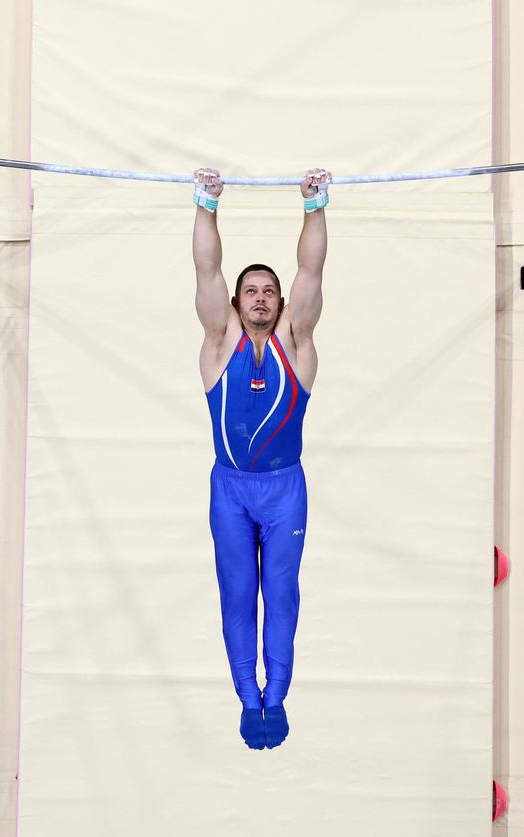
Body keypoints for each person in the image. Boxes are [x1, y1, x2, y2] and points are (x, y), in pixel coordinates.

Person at [191, 165, 330, 749]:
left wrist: (314, 206)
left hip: (282, 491)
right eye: (251, 290)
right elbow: (206, 267)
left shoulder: (296, 342)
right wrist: (206, 205)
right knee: (237, 594)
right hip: (231, 490)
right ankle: (249, 698)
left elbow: (311, 268)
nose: (261, 297)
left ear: (281, 303)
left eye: (269, 291)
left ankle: (278, 697)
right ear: (234, 302)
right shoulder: (217, 341)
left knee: (281, 593)